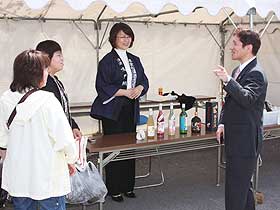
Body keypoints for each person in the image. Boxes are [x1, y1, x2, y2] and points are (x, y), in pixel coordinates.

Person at [0, 50, 77, 210]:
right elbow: (64, 139)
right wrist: (70, 160)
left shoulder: (6, 99)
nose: (47, 73)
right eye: (45, 69)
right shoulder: (48, 101)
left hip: (18, 174)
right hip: (48, 175)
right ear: (36, 74)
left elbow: (2, 139)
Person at [90, 22, 149, 202]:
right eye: (122, 36)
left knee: (129, 148)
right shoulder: (106, 61)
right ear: (113, 38)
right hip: (113, 110)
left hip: (131, 109)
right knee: (114, 149)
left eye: (128, 36)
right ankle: (114, 188)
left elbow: (144, 80)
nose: (126, 39)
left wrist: (140, 87)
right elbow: (102, 85)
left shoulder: (135, 59)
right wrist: (124, 92)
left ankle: (128, 186)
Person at [213, 28, 268, 210]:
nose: (231, 48)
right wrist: (222, 122)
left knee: (235, 190)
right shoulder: (239, 69)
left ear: (248, 47)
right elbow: (229, 102)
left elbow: (247, 98)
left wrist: (228, 80)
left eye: (235, 44)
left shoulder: (257, 73)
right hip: (236, 138)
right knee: (242, 187)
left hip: (245, 140)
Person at [36, 40, 82, 141]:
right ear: (46, 57)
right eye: (58, 55)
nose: (62, 59)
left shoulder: (55, 81)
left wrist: (73, 126)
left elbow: (63, 110)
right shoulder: (43, 84)